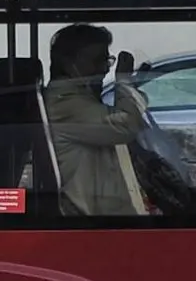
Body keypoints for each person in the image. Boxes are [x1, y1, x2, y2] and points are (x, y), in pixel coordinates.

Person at [43, 24, 149, 216]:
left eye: (107, 60)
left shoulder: (81, 97)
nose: (104, 69)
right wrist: (124, 81)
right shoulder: (64, 101)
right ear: (69, 62)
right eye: (97, 60)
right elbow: (124, 126)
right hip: (89, 218)